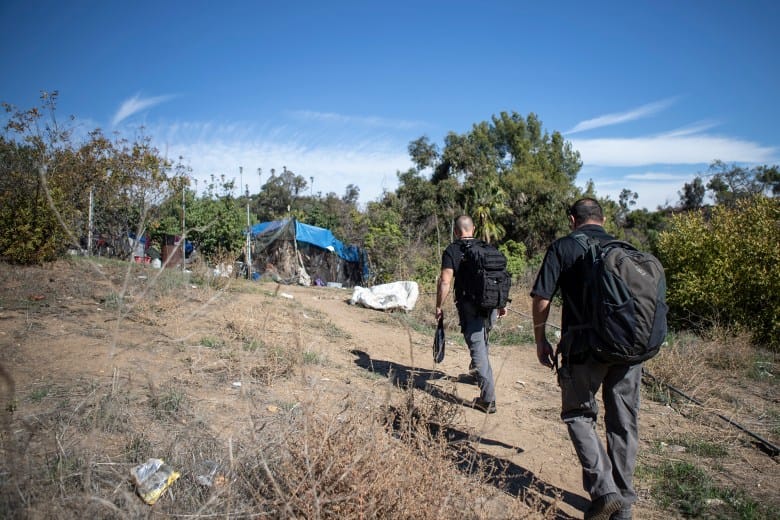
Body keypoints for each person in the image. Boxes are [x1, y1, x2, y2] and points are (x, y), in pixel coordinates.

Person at [531, 198, 637, 520]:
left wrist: (541, 340)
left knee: (578, 415)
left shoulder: (562, 247)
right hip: (628, 349)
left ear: (572, 220)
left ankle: (605, 492)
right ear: (603, 218)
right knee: (623, 423)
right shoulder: (626, 249)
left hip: (583, 349)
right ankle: (623, 508)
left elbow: (542, 297)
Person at [435, 215, 507, 414]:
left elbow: (445, 281)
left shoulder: (452, 250)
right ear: (473, 229)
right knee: (483, 340)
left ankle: (488, 400)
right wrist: (501, 304)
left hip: (470, 306)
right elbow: (499, 277)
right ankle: (477, 374)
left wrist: (439, 306)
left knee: (478, 348)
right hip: (492, 304)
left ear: (456, 232)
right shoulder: (487, 248)